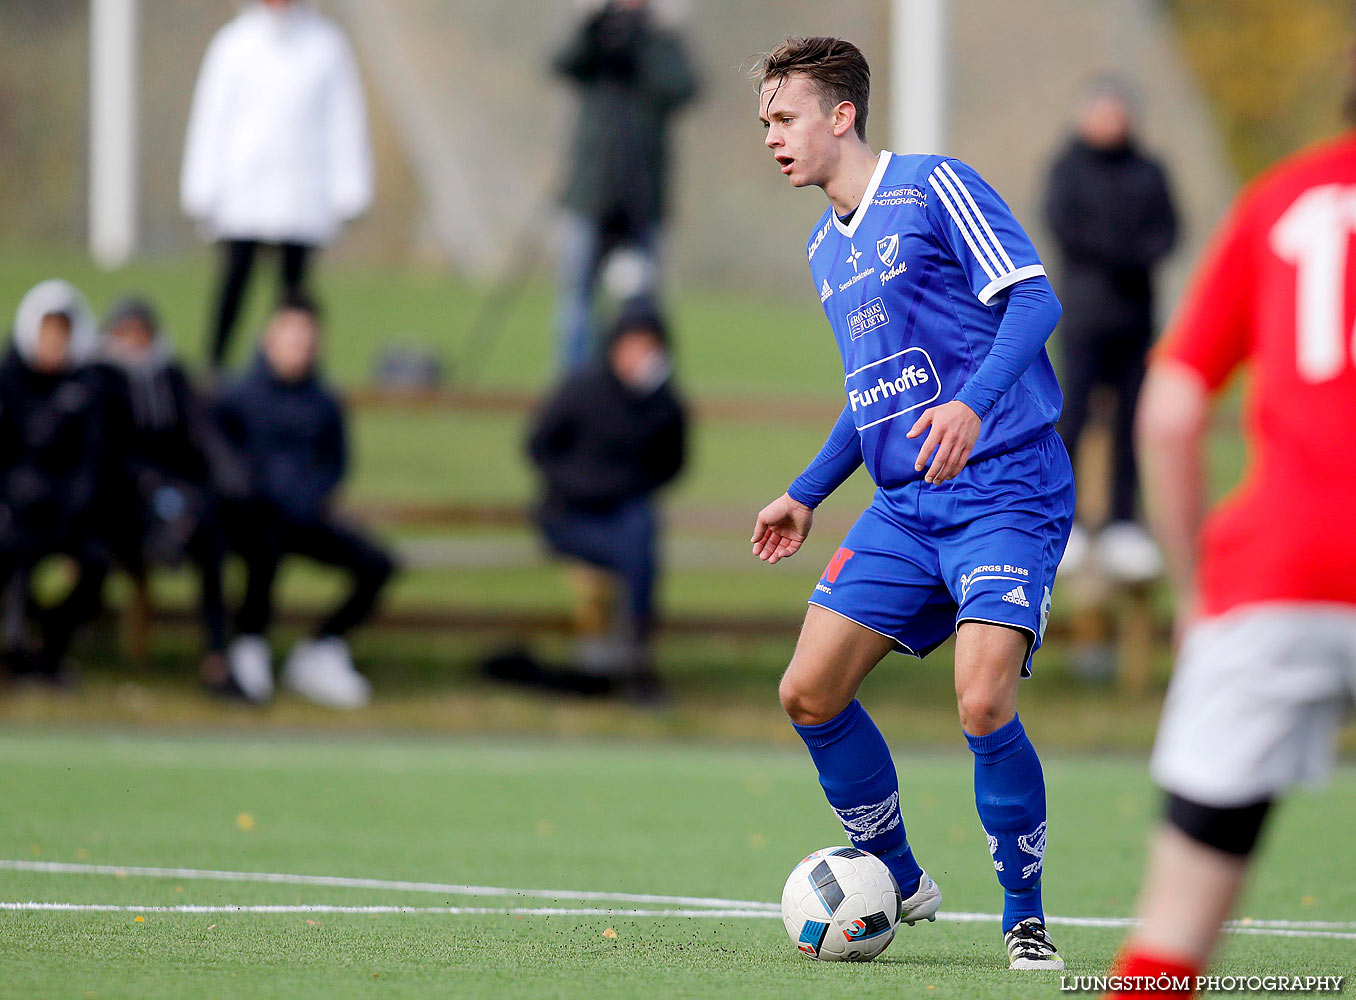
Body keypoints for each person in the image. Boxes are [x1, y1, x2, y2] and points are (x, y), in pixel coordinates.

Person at [751, 37, 1072, 970]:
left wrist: (974, 404)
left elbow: (1035, 302)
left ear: (840, 114)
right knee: (808, 692)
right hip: (906, 506)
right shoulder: (824, 248)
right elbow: (874, 396)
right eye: (765, 122)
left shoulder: (934, 186)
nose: (771, 137)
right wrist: (806, 493)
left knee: (980, 702)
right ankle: (898, 873)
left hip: (1006, 486)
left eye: (784, 117)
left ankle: (1025, 919)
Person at [1104, 84, 1356, 1000]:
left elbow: (1169, 415)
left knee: (1167, 944)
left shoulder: (1282, 201)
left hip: (1276, 577)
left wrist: (1198, 596)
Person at [214, 294, 394, 709]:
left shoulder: (324, 402)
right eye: (291, 337)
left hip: (306, 516)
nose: (299, 347)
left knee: (377, 563)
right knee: (264, 546)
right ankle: (249, 646)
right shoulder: (239, 397)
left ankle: (320, 650)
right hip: (251, 520)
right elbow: (224, 464)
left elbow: (336, 464)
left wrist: (310, 498)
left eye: (307, 339)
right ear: (269, 338)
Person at [181, 0, 373, 369]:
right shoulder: (233, 44)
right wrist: (201, 186)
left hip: (301, 194)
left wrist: (350, 187)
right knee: (234, 284)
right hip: (243, 194)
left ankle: (294, 372)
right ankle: (215, 367)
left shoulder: (326, 45)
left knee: (294, 296)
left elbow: (344, 119)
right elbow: (212, 119)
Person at [1044, 77, 1177, 580]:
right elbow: (1066, 229)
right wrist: (1120, 251)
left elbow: (1167, 231)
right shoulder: (1067, 169)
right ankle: (1067, 521)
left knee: (1132, 423)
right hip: (1082, 319)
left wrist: (1128, 253)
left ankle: (1125, 523)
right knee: (1071, 418)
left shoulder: (1149, 170)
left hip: (1136, 321)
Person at [526, 298, 687, 695]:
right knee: (638, 548)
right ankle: (634, 661)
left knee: (638, 528)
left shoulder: (664, 403)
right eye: (633, 344)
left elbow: (673, 462)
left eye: (650, 346)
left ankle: (620, 662)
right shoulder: (582, 388)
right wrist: (583, 484)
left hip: (624, 517)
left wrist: (630, 484)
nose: (641, 354)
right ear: (614, 344)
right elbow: (538, 445)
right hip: (568, 515)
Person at [93, 298, 246, 687]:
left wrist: (233, 482)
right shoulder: (100, 380)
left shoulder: (172, 378)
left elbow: (202, 435)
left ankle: (216, 654)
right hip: (121, 504)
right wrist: (149, 485)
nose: (134, 344)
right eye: (125, 334)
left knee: (210, 535)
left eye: (141, 334)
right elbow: (104, 452)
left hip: (176, 499)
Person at [552, 0, 698, 371]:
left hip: (643, 194)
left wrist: (643, 46)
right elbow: (562, 64)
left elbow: (683, 88)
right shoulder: (597, 31)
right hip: (590, 191)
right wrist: (594, 31)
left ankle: (643, 380)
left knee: (643, 300)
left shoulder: (660, 36)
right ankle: (576, 387)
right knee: (577, 300)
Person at [0, 280, 105, 683]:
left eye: (62, 334)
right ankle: (13, 653)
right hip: (15, 511)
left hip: (66, 516)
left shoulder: (85, 387)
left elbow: (91, 462)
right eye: (47, 332)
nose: (53, 343)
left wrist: (73, 516)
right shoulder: (9, 380)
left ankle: (51, 653)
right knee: (13, 554)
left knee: (94, 563)